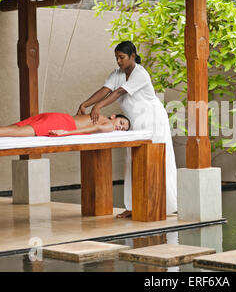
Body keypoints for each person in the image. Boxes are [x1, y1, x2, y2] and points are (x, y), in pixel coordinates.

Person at [77, 40, 177, 218]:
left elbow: (118, 93)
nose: (118, 61)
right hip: (136, 122)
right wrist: (85, 104)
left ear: (132, 56)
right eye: (116, 57)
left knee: (157, 161)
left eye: (121, 57)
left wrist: (98, 107)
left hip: (153, 121)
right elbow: (106, 89)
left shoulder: (141, 74)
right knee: (131, 161)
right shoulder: (117, 73)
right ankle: (132, 206)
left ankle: (164, 204)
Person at [0, 112, 130, 137]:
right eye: (121, 122)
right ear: (113, 116)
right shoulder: (108, 125)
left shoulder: (97, 116)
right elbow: (93, 128)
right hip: (62, 123)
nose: (120, 127)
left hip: (57, 116)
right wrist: (66, 132)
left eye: (123, 129)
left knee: (14, 128)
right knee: (16, 132)